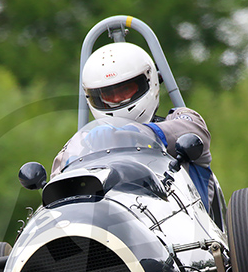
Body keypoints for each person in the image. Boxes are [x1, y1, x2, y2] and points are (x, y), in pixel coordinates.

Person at [53, 42, 216, 214]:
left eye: (125, 90)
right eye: (108, 95)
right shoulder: (84, 141)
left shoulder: (181, 119)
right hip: (113, 227)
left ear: (149, 81)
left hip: (184, 224)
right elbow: (59, 186)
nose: (117, 99)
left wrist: (136, 133)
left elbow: (193, 131)